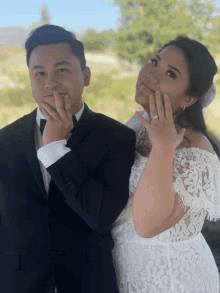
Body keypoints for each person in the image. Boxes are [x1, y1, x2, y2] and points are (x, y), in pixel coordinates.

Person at [0, 24, 136, 293]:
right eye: (39, 73)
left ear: (85, 75)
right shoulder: (4, 140)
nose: (50, 83)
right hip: (19, 283)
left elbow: (102, 216)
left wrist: (56, 149)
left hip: (89, 282)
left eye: (62, 70)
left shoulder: (117, 137)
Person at [110, 36, 220, 292]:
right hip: (125, 273)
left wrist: (163, 147)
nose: (151, 75)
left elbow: (147, 225)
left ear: (188, 99)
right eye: (154, 62)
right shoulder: (138, 123)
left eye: (170, 74)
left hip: (171, 279)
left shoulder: (196, 152)